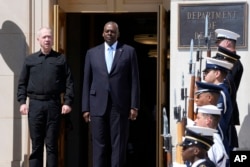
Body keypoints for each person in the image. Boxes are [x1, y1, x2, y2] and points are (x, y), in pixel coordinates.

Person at [81, 21, 140, 167]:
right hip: (97, 104)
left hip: (119, 105)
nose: (109, 33)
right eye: (107, 31)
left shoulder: (128, 51)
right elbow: (86, 81)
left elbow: (134, 81)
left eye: (112, 31)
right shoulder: (92, 53)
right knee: (99, 144)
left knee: (118, 144)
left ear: (118, 34)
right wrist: (85, 108)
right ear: (102, 33)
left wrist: (134, 106)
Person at [17, 27, 74, 167]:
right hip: (35, 105)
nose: (47, 39)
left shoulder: (60, 59)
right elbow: (22, 83)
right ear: (38, 40)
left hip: (53, 104)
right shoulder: (30, 60)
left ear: (53, 39)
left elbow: (69, 82)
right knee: (36, 145)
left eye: (49, 37)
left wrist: (67, 102)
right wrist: (22, 102)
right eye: (44, 37)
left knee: (52, 145)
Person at [214, 28, 243, 148]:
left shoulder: (232, 63)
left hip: (225, 113)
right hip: (223, 114)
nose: (217, 46)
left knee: (230, 152)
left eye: (218, 43)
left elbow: (224, 86)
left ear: (226, 43)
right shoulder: (228, 61)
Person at [202, 57, 234, 155]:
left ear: (217, 74)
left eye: (207, 72)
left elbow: (219, 124)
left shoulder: (220, 93)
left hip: (218, 144)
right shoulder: (218, 91)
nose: (205, 75)